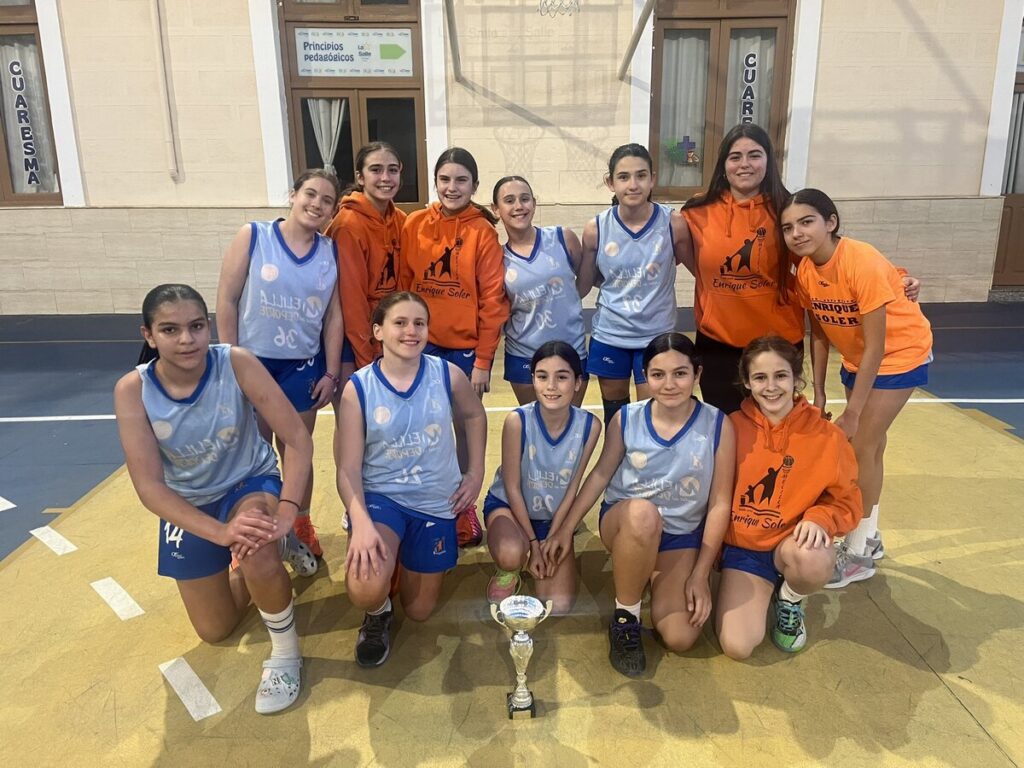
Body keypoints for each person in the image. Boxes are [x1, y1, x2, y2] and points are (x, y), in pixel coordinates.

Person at [114, 284, 314, 714]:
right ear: (149, 335)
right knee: (215, 629)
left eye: (196, 326)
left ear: (209, 327)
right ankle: (269, 554)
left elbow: (297, 439)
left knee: (255, 545)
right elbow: (150, 488)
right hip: (189, 501)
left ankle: (286, 655)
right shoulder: (133, 390)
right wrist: (221, 533)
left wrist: (287, 510)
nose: (187, 339)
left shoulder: (236, 362)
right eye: (170, 330)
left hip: (247, 482)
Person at [680, 124, 921, 414]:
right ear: (723, 164)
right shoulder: (697, 211)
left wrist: (898, 277)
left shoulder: (786, 210)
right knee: (724, 428)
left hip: (777, 342)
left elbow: (830, 255)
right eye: (735, 157)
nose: (745, 164)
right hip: (717, 343)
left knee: (777, 427)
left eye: (754, 155)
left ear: (768, 161)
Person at [555, 332, 735, 676]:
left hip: (680, 535)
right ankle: (626, 616)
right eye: (658, 374)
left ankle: (652, 571)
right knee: (643, 514)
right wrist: (566, 529)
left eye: (680, 373)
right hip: (627, 522)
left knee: (680, 637)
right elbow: (599, 476)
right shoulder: (627, 418)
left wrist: (700, 573)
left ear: (697, 374)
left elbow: (719, 503)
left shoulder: (718, 425)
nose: (669, 384)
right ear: (646, 376)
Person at [780, 188, 934, 588]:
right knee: (872, 445)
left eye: (807, 222)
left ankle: (859, 552)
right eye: (788, 227)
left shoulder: (859, 260)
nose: (797, 233)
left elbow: (878, 347)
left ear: (831, 222)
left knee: (860, 445)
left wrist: (851, 412)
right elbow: (818, 333)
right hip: (857, 360)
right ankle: (871, 535)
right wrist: (818, 392)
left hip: (899, 355)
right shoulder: (806, 271)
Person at [337, 291, 487, 667]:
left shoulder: (447, 374)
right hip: (382, 496)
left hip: (435, 500)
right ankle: (377, 612)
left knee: (419, 610)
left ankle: (401, 555)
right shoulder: (358, 387)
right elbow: (347, 469)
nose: (411, 331)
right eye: (400, 323)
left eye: (419, 323)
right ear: (378, 331)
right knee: (365, 587)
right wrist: (360, 521)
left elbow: (474, 415)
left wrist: (475, 472)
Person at [216, 170, 343, 566]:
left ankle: (300, 524)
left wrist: (331, 372)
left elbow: (334, 317)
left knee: (295, 450)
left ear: (333, 210)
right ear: (293, 195)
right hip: (253, 364)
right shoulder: (254, 236)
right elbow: (226, 299)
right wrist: (229, 360)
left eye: (326, 200)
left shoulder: (330, 251)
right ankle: (253, 532)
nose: (316, 204)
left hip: (301, 367)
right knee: (253, 454)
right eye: (310, 194)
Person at [715, 336, 862, 657]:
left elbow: (849, 501)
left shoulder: (828, 437)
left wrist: (821, 518)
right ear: (746, 382)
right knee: (737, 646)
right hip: (744, 550)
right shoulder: (729, 428)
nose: (771, 387)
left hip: (791, 545)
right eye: (760, 377)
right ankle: (756, 586)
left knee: (814, 558)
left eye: (780, 376)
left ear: (796, 378)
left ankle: (791, 598)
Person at [399, 147, 509, 547]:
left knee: (464, 428)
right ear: (435, 182)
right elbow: (405, 288)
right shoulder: (414, 224)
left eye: (461, 180)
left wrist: (483, 361)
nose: (452, 187)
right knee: (420, 429)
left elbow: (493, 301)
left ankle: (464, 507)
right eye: (445, 179)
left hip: (463, 350)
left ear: (474, 185)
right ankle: (425, 501)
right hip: (420, 347)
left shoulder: (482, 232)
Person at [579, 144, 693, 429]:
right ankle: (617, 459)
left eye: (641, 175)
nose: (633, 184)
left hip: (656, 336)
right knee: (615, 417)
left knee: (651, 417)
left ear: (652, 179)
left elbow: (695, 268)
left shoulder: (673, 224)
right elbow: (584, 284)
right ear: (610, 182)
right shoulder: (596, 228)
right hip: (610, 334)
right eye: (624, 177)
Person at [482, 341, 601, 611]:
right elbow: (512, 487)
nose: (551, 386)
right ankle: (509, 569)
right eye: (542, 376)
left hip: (553, 516)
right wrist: (534, 545)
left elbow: (572, 488)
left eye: (562, 377)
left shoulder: (590, 426)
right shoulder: (517, 421)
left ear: (578, 382)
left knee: (557, 605)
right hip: (510, 508)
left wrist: (555, 535)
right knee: (511, 553)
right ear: (533, 379)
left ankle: (541, 549)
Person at [491, 175, 589, 406]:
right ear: (496, 209)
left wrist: (563, 303)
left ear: (534, 203)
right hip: (523, 353)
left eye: (525, 199)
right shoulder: (497, 257)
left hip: (571, 349)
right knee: (533, 423)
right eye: (509, 200)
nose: (518, 206)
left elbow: (583, 284)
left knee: (571, 422)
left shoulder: (563, 238)